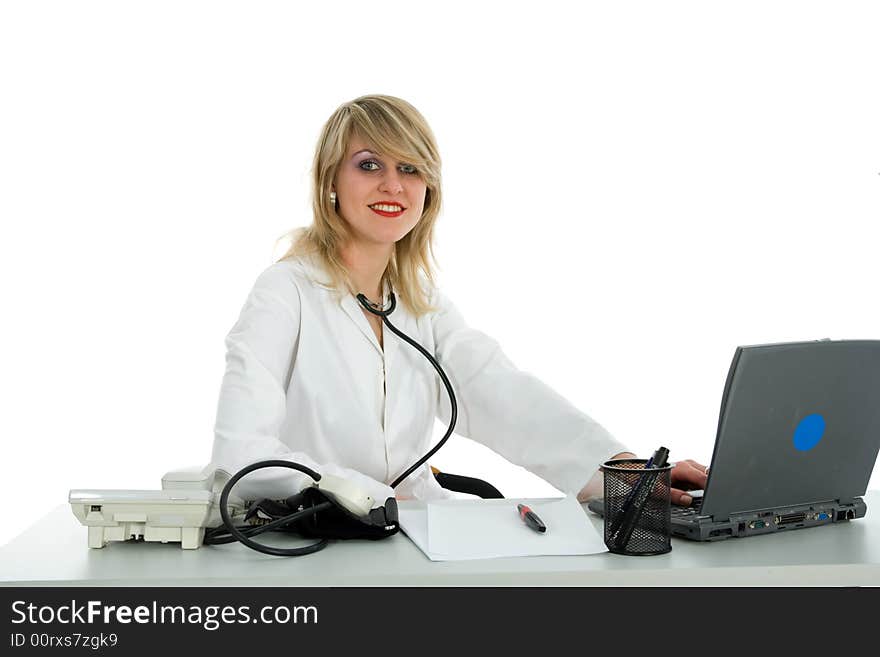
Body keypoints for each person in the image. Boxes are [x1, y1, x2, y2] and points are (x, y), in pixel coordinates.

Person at [210, 94, 708, 507]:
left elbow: (501, 394)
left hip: (416, 534)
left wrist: (626, 473)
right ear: (330, 182)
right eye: (369, 165)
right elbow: (241, 453)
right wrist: (364, 495)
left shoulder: (421, 304)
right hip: (309, 540)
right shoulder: (285, 293)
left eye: (410, 168)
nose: (392, 184)